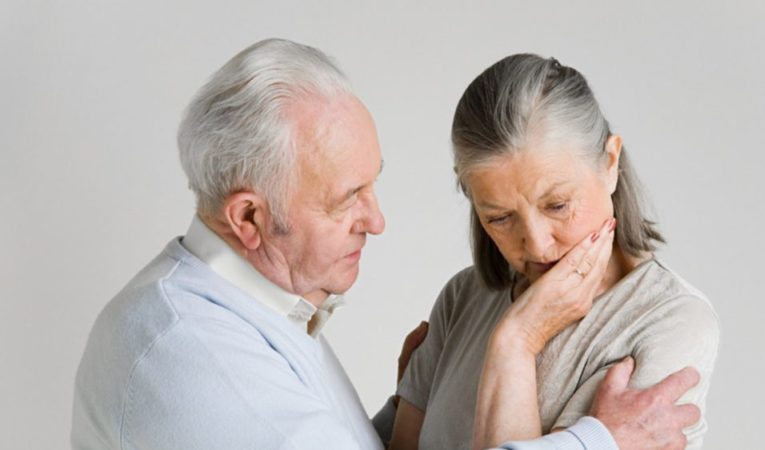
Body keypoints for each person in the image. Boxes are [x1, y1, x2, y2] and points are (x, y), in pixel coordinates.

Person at [71, 39, 702, 450]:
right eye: (347, 197)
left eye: (373, 185)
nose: (376, 221)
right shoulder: (197, 360)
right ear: (248, 219)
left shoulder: (254, 320)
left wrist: (409, 404)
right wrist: (597, 441)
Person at [389, 54, 720, 450]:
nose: (537, 245)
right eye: (499, 218)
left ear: (610, 163)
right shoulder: (461, 299)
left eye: (558, 205)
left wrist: (517, 341)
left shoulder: (671, 320)